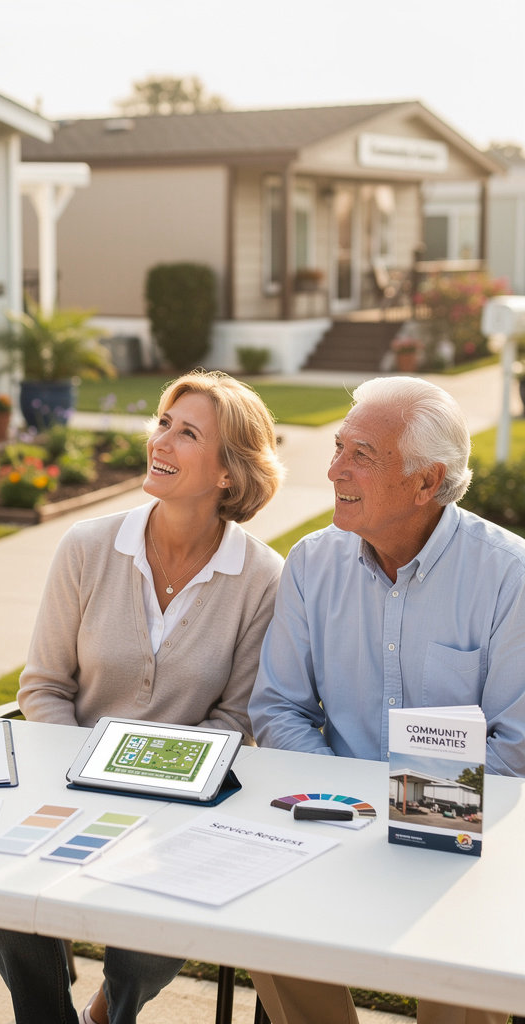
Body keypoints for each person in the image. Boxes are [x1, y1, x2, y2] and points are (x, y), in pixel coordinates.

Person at [0, 370, 285, 1024]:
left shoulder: (262, 577)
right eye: (163, 423)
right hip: (66, 777)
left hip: (181, 801)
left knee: (152, 934)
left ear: (228, 473)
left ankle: (109, 1013)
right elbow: (43, 685)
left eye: (188, 433)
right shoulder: (86, 547)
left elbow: (236, 718)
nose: (160, 442)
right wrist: (85, 773)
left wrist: (153, 781)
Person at [248, 375, 525, 1024]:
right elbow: (279, 708)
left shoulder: (510, 576)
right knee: (260, 917)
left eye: (362, 455)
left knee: (466, 964)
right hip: (331, 815)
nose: (334, 470)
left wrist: (408, 815)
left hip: (465, 831)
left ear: (427, 482)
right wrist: (347, 805)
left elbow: (515, 746)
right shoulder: (311, 564)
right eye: (338, 447)